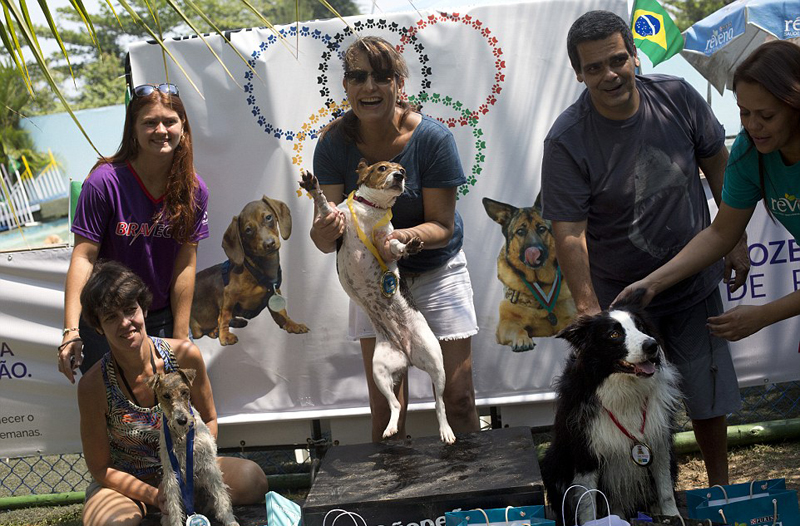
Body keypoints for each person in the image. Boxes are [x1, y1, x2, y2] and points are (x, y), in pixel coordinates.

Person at [540, 10, 750, 486]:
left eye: (617, 60)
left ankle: (720, 490)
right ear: (578, 73)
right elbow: (569, 232)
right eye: (594, 68)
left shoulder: (677, 97)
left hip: (695, 286)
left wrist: (732, 238)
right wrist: (591, 311)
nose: (609, 74)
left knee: (708, 398)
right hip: (627, 307)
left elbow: (720, 165)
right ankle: (646, 498)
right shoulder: (566, 140)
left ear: (634, 56)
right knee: (635, 405)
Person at [310, 36, 481, 442]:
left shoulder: (434, 139)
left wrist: (399, 237)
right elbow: (326, 236)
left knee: (457, 398)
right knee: (388, 408)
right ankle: (396, 503)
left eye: (381, 76)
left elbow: (441, 226)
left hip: (437, 270)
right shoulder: (332, 144)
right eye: (357, 76)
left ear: (399, 85)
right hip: (376, 281)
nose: (369, 86)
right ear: (346, 86)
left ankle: (476, 499)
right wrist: (322, 231)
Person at [617, 40, 800, 342]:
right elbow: (720, 234)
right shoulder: (749, 151)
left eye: (766, 116)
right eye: (743, 113)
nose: (753, 126)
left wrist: (763, 315)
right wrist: (651, 283)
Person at [76, 261, 267, 526]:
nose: (125, 323)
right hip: (131, 484)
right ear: (98, 327)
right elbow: (100, 467)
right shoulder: (93, 385)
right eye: (110, 317)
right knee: (111, 523)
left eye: (130, 310)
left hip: (190, 467)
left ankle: (194, 502)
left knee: (253, 480)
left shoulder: (184, 355)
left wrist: (191, 474)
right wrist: (156, 495)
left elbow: (209, 421)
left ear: (143, 309)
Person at [59, 82, 209, 384]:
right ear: (134, 130)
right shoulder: (103, 182)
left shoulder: (194, 190)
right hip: (107, 321)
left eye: (170, 121)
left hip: (160, 316)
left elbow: (185, 265)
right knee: (115, 415)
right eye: (150, 122)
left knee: (173, 412)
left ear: (184, 128)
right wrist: (71, 331)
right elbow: (83, 257)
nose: (161, 130)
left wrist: (180, 339)